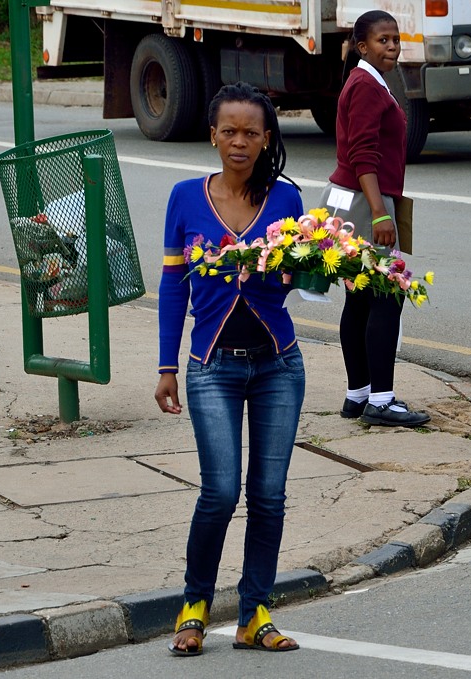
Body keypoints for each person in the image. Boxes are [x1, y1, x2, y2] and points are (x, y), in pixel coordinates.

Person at [155, 81, 304, 656]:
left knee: (268, 494)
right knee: (219, 492)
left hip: (279, 367)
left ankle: (255, 614)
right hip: (210, 367)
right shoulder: (185, 197)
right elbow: (172, 285)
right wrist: (167, 365)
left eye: (251, 132)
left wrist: (277, 272)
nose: (239, 141)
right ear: (212, 134)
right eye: (229, 131)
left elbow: (293, 282)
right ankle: (194, 607)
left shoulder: (287, 200)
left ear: (267, 139)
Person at [320, 10, 431, 428]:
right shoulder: (366, 85)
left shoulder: (365, 80)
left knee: (361, 297)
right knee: (387, 296)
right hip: (366, 204)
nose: (392, 47)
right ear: (362, 46)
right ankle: (381, 400)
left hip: (350, 201)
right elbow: (362, 155)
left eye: (395, 39)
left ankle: (358, 395)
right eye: (382, 40)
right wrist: (382, 213)